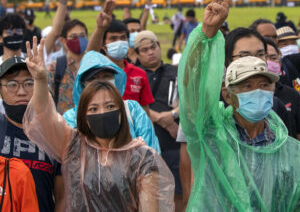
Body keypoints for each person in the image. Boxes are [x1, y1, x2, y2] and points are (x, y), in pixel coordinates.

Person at [178, 0, 300, 210]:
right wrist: (207, 33)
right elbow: (192, 86)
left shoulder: (291, 151)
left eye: (264, 84)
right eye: (246, 85)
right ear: (228, 95)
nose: (258, 91)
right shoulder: (211, 131)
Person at [23, 38, 175, 211]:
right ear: (83, 115)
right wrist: (41, 81)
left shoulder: (142, 158)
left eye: (110, 106)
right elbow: (45, 117)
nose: (102, 113)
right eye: (93, 109)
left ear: (121, 111)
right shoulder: (73, 147)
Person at [62, 50, 161, 153]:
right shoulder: (71, 118)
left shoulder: (132, 110)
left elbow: (152, 153)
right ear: (82, 84)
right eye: (93, 78)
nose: (101, 82)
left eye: (106, 76)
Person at [0, 56, 64, 211]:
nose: (21, 92)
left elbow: (62, 197)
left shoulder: (54, 134)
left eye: (29, 83)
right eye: (12, 84)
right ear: (0, 92)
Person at [135, 30, 184, 211]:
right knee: (148, 194)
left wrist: (171, 116)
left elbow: (190, 100)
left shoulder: (177, 70)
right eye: (144, 49)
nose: (150, 52)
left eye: (153, 47)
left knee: (179, 192)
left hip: (175, 145)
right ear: (137, 54)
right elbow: (132, 105)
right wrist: (160, 118)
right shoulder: (134, 76)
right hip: (145, 147)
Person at [87, 3, 155, 116]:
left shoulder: (139, 73)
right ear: (103, 46)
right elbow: (89, 55)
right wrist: (100, 28)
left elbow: (145, 113)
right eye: (113, 38)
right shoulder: (97, 72)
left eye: (123, 38)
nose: (119, 42)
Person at [265, 38, 300, 149]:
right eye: (264, 57)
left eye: (273, 58)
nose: (269, 62)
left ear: (280, 62)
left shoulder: (292, 96)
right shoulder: (245, 96)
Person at [47, 19, 89, 114]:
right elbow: (47, 101)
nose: (78, 40)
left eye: (82, 36)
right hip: (64, 125)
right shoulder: (55, 67)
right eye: (73, 37)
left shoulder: (93, 64)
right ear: (63, 41)